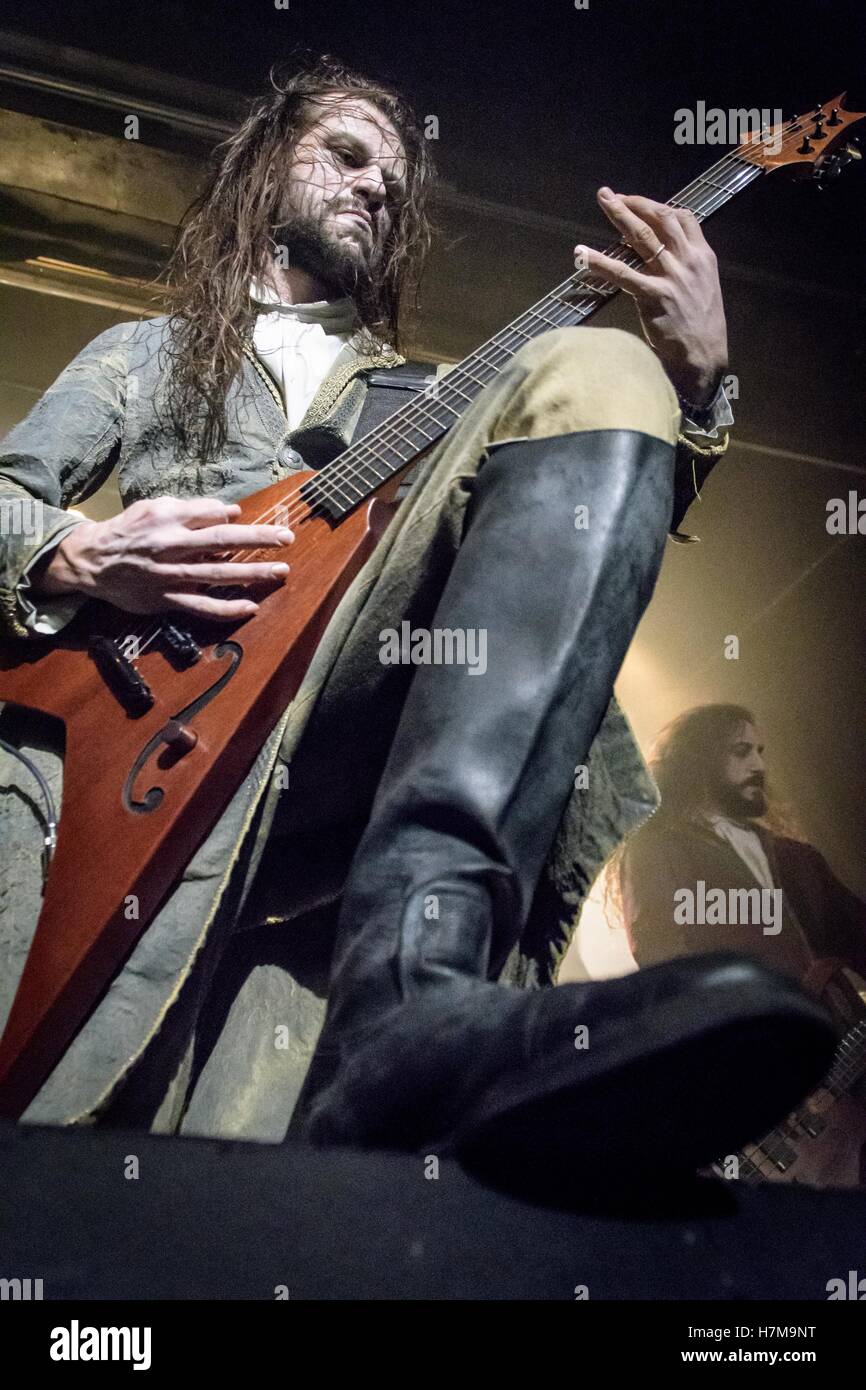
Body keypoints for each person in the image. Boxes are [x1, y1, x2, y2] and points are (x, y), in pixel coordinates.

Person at [0, 58, 835, 1185]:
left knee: (594, 367)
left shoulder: (421, 395)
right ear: (263, 164)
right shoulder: (138, 358)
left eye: (393, 185)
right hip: (141, 732)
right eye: (346, 155)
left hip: (338, 712)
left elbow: (570, 535)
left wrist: (693, 391)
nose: (373, 190)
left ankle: (413, 994)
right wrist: (78, 547)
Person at [620, 704, 866, 997]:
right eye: (741, 751)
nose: (759, 766)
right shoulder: (658, 850)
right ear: (700, 761)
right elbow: (662, 959)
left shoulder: (796, 857)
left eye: (759, 751)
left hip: (840, 1031)